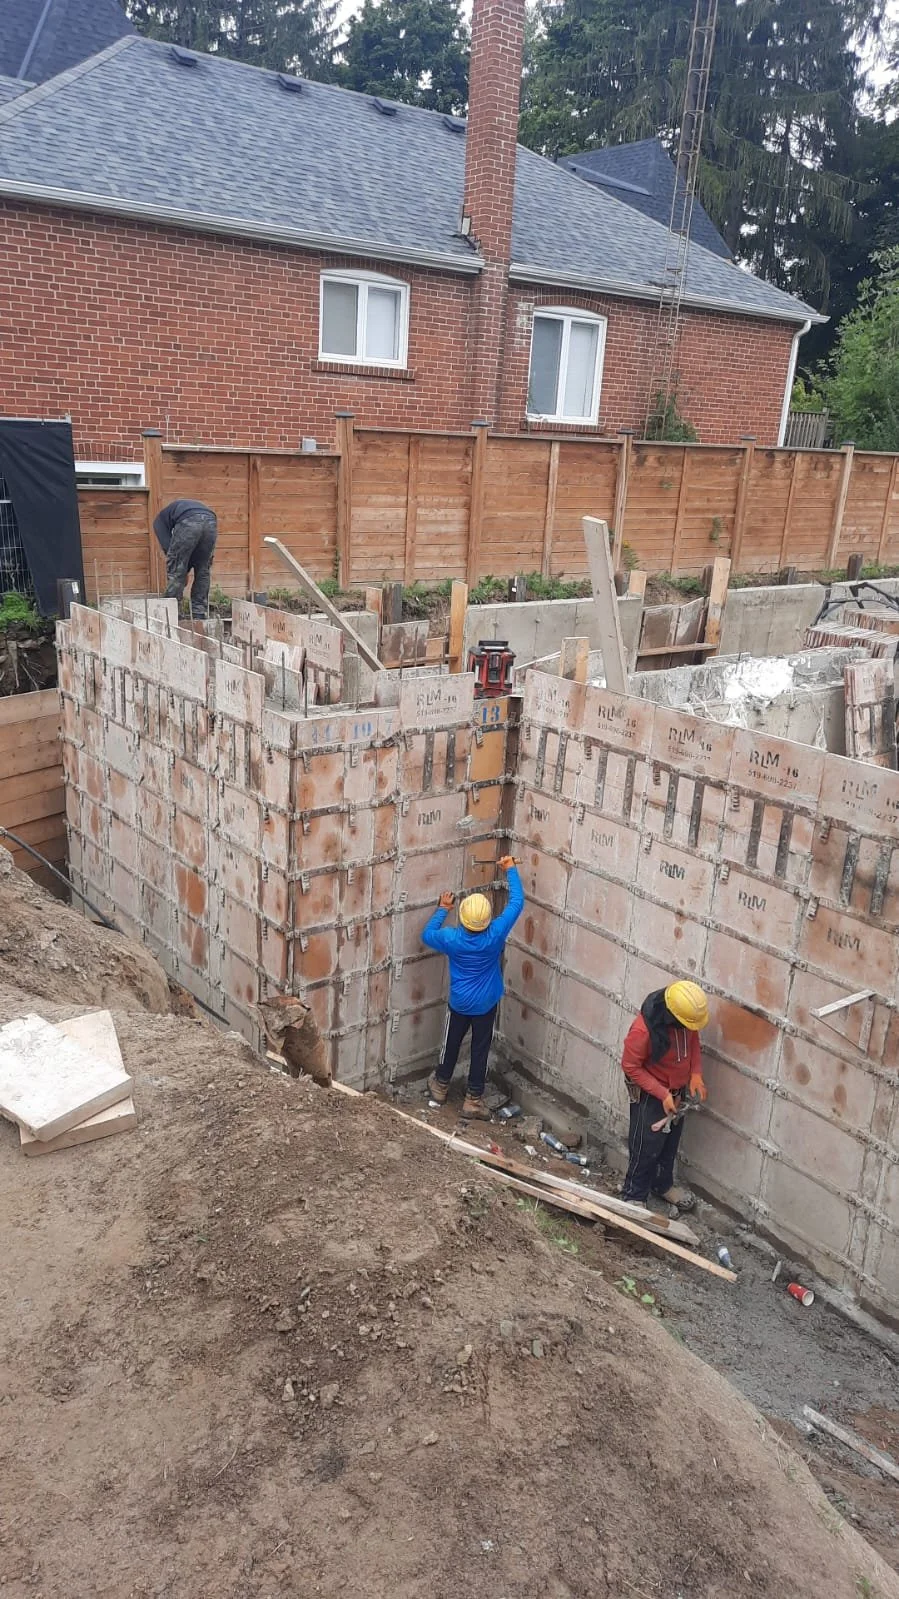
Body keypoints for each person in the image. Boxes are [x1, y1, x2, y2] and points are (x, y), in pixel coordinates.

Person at [421, 856, 524, 1120]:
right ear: (488, 919)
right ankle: (473, 1100)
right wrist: (510, 869)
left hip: (460, 1003)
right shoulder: (496, 933)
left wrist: (443, 908)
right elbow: (516, 902)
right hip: (486, 1003)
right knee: (480, 1048)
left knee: (451, 1042)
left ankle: (441, 1085)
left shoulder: (452, 939)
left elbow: (427, 934)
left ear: (463, 917)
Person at [620, 980, 709, 1211]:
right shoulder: (643, 1031)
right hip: (650, 1096)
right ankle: (634, 1194)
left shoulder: (685, 1021)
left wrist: (696, 1073)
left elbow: (694, 1042)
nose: (690, 1028)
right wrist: (661, 1093)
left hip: (676, 1094)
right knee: (645, 1147)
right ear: (672, 1015)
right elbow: (630, 1066)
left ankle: (662, 1185)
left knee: (669, 1144)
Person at [152, 499, 218, 619]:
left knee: (176, 570)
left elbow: (171, 553)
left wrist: (182, 571)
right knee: (203, 569)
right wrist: (185, 569)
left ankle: (172, 612)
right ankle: (199, 612)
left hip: (189, 520)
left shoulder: (159, 522)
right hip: (211, 521)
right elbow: (191, 553)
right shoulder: (172, 513)